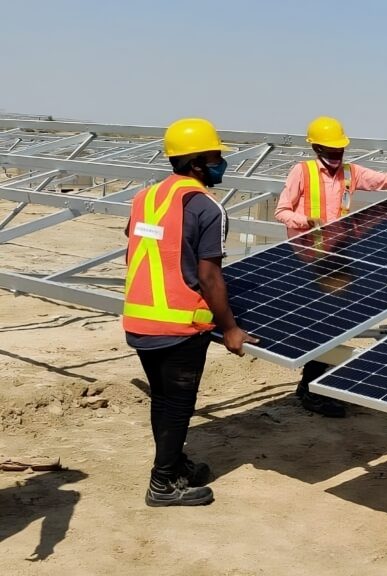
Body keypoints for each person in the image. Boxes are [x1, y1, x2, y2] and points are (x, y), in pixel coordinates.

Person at [123, 117, 257, 507]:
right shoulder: (207, 207)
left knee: (162, 400)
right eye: (216, 157)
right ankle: (163, 484)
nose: (221, 164)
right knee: (178, 403)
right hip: (180, 324)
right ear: (198, 163)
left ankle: (175, 464)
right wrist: (231, 328)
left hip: (139, 318)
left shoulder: (144, 197)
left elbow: (138, 246)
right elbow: (210, 277)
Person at [275, 116, 387, 417]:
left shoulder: (351, 173)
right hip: (308, 258)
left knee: (334, 323)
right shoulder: (302, 172)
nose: (337, 154)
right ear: (315, 147)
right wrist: (304, 223)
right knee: (322, 324)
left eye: (340, 148)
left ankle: (312, 385)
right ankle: (311, 389)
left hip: (339, 256)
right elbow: (282, 211)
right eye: (331, 148)